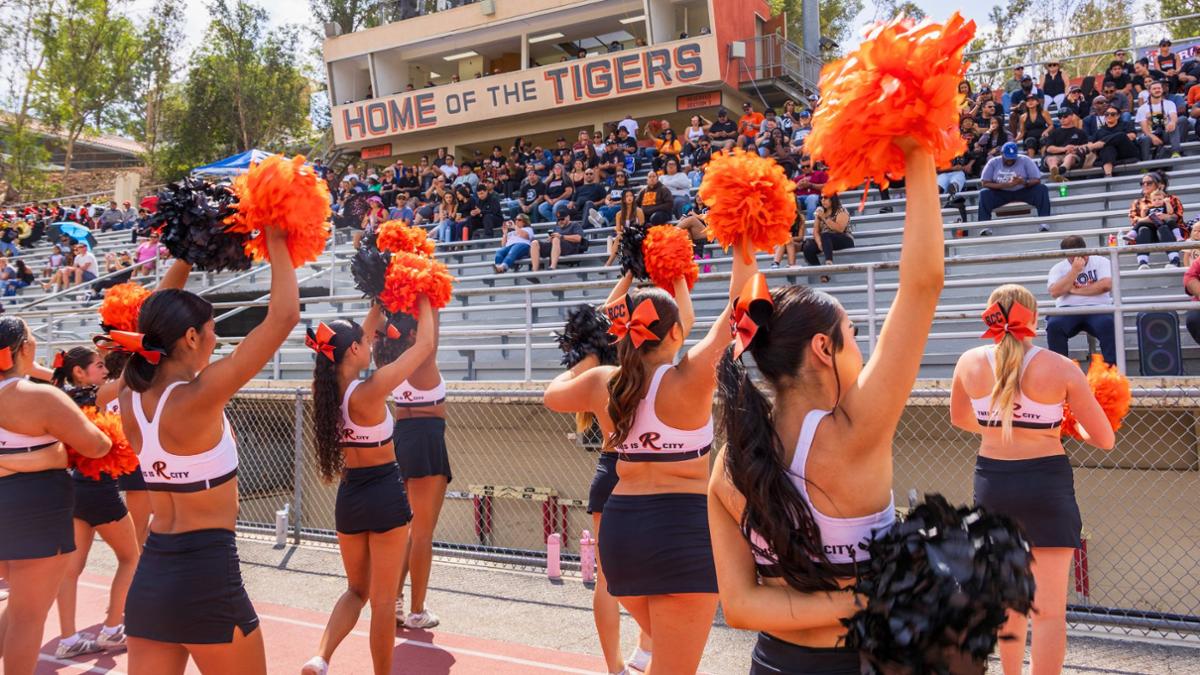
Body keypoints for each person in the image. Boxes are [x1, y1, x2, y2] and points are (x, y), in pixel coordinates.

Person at [710, 138, 942, 674]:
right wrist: (916, 146)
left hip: (774, 664)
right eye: (854, 335)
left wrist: (743, 237)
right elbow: (923, 284)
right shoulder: (857, 430)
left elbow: (741, 606)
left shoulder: (731, 461)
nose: (862, 348)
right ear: (823, 348)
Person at [544, 230, 756, 674]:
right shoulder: (692, 378)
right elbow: (741, 310)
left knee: (665, 658)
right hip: (682, 533)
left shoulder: (605, 381)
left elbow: (551, 396)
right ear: (676, 331)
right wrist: (743, 244)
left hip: (621, 535)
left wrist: (590, 362)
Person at [118, 228, 298, 673]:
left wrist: (188, 250)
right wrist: (276, 235)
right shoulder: (199, 396)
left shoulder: (128, 395)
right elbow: (284, 317)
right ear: (193, 339)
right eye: (213, 333)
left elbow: (153, 318)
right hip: (207, 579)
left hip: (151, 582)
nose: (217, 342)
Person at [951, 284, 1114, 675]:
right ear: (1035, 318)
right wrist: (1059, 427)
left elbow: (959, 418)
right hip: (1046, 487)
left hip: (993, 484)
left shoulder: (968, 362)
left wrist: (1002, 425)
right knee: (1048, 612)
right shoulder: (1061, 368)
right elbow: (1105, 439)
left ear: (992, 315)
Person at [301, 299, 433, 675]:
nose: (370, 341)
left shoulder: (328, 391)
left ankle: (321, 657)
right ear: (355, 350)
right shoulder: (370, 390)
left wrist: (378, 299)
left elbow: (360, 333)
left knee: (355, 590)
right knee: (383, 600)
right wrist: (425, 299)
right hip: (385, 493)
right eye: (364, 341)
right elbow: (423, 348)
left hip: (351, 497)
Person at [0, 317, 111, 675]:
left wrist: (21, 460)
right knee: (28, 617)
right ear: (26, 349)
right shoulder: (38, 396)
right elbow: (97, 445)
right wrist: (52, 454)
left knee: (17, 609)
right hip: (36, 512)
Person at [50, 348, 140, 660]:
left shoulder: (60, 397)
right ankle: (112, 629)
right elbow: (128, 378)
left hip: (73, 487)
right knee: (131, 557)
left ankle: (68, 638)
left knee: (71, 569)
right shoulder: (90, 396)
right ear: (79, 372)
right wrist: (142, 348)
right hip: (99, 488)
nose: (104, 370)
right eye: (98, 366)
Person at [371, 305, 450, 631]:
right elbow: (434, 332)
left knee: (409, 531)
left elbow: (376, 324)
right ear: (415, 334)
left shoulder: (388, 359)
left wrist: (380, 297)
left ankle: (399, 602)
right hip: (425, 441)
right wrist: (425, 295)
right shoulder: (422, 358)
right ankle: (416, 610)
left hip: (402, 438)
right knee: (422, 533)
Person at [1045, 236, 1116, 365]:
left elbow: (1106, 285)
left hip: (1098, 307)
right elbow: (1055, 292)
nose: (1078, 258)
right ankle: (1060, 371)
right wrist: (1074, 271)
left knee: (1108, 324)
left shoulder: (1101, 261)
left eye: (1080, 254)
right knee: (1054, 325)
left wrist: (1073, 290)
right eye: (1072, 256)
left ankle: (1112, 372)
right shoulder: (1058, 268)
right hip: (1068, 309)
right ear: (1065, 255)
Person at [977, 142, 1052, 235]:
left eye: (1012, 158)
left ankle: (1044, 223)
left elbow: (1037, 180)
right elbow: (984, 182)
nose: (1010, 160)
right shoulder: (993, 162)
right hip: (1000, 192)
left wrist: (1024, 182)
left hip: (1023, 190)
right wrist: (1006, 185)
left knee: (1041, 189)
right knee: (984, 193)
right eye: (1007, 158)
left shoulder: (1025, 160)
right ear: (1002, 154)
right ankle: (985, 226)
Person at [1127, 172, 1181, 269]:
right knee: (1143, 229)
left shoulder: (1171, 199)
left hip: (1167, 230)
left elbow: (1178, 216)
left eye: (1149, 183)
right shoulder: (1138, 202)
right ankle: (1143, 263)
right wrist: (1147, 219)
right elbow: (1134, 219)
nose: (1145, 185)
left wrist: (1166, 217)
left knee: (1163, 228)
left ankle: (1175, 261)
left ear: (1159, 184)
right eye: (1142, 183)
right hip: (1148, 231)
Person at [803, 194, 854, 281]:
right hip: (825, 240)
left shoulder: (841, 210)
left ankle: (828, 264)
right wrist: (819, 243)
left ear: (832, 199)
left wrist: (824, 217)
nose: (823, 200)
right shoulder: (820, 212)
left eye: (826, 198)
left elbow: (840, 229)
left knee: (826, 235)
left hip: (844, 239)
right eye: (821, 198)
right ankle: (822, 272)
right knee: (807, 246)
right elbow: (815, 231)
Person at [1085, 104, 1140, 176]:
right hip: (1110, 156)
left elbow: (1132, 136)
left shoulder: (1125, 125)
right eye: (1107, 114)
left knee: (1121, 135)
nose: (1109, 116)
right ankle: (1108, 175)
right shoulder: (1100, 131)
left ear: (1118, 116)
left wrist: (1108, 140)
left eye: (1112, 114)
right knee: (1108, 148)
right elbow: (1090, 143)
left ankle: (1102, 143)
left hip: (1126, 152)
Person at [1135, 80, 1182, 159]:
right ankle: (1145, 166)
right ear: (1149, 91)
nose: (1157, 90)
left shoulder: (1169, 103)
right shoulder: (1142, 108)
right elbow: (1144, 128)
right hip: (1151, 135)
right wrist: (1153, 137)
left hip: (1166, 132)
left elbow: (1173, 116)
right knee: (1144, 138)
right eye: (1154, 89)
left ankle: (1176, 152)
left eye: (1159, 88)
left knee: (1173, 125)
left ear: (1162, 90)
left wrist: (1172, 122)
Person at [530, 207, 587, 272]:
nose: (560, 221)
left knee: (556, 239)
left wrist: (561, 237)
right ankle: (534, 271)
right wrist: (550, 239)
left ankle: (552, 267)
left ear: (568, 217)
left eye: (562, 219)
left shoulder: (575, 224)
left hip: (570, 248)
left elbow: (579, 238)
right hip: (556, 247)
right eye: (558, 220)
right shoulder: (557, 227)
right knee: (534, 243)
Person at [1044, 109, 1093, 182]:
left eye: (1065, 116)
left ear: (1072, 116)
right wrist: (1064, 149)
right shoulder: (1054, 132)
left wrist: (1074, 148)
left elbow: (1086, 146)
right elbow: (1049, 148)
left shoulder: (1080, 132)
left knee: (1069, 157)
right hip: (1055, 156)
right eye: (1060, 117)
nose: (1062, 119)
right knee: (1051, 159)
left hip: (1073, 155)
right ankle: (1056, 173)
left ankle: (1059, 172)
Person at [606, 190, 642, 267]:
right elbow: (618, 230)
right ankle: (610, 263)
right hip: (625, 235)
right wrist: (622, 232)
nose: (629, 198)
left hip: (637, 235)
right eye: (627, 196)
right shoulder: (619, 214)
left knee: (621, 239)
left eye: (631, 196)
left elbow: (642, 227)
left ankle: (608, 264)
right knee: (619, 238)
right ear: (623, 199)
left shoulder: (639, 211)